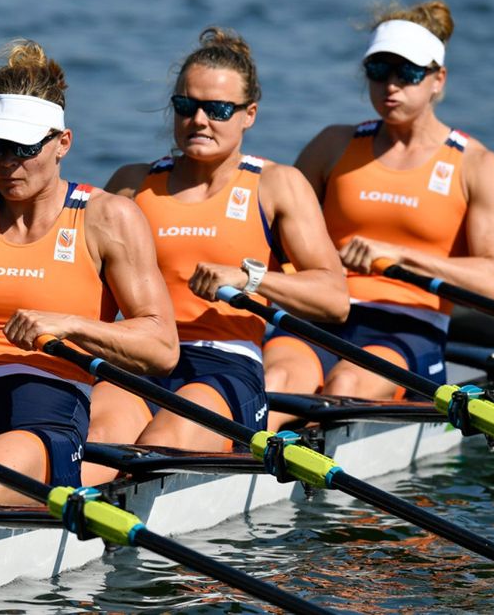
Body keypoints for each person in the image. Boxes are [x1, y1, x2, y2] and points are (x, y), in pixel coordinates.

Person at [0, 39, 178, 505]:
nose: (6, 163)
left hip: (46, 409)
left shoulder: (107, 217)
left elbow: (162, 347)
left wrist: (70, 325)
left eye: (23, 148)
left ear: (63, 143)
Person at [83, 28, 349, 484]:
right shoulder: (132, 183)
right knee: (94, 446)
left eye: (218, 109)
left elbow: (334, 298)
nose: (199, 120)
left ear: (249, 115)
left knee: (157, 450)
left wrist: (249, 280)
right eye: (186, 106)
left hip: (224, 363)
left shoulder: (276, 186)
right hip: (139, 359)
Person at [264, 0, 494, 400]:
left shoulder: (478, 166)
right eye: (378, 70)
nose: (391, 85)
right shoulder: (332, 146)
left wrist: (398, 256)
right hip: (323, 313)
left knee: (346, 384)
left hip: (409, 326)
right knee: (273, 381)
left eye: (408, 73)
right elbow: (274, 243)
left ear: (439, 79)